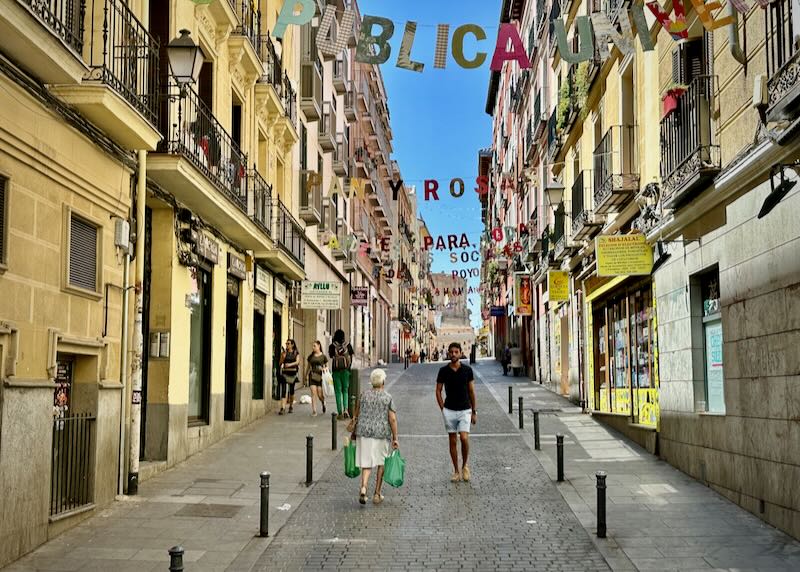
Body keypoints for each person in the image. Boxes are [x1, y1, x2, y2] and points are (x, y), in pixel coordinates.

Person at [351, 369, 399, 505]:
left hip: (364, 432)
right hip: (381, 433)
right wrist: (395, 438)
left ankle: (364, 487)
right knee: (380, 462)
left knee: (366, 463)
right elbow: (392, 419)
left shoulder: (363, 395)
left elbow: (356, 414)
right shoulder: (387, 397)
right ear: (383, 381)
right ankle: (377, 493)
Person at [436, 342, 477, 482]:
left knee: (464, 438)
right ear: (448, 353)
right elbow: (438, 390)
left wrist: (474, 411)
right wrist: (443, 408)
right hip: (449, 410)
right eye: (451, 352)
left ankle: (465, 465)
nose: (453, 354)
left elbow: (471, 391)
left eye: (456, 352)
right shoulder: (443, 371)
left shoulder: (467, 370)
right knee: (452, 441)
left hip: (465, 409)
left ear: (460, 353)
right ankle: (456, 470)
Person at [329, 329, 354, 420]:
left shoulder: (332, 346)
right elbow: (351, 356)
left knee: (338, 391)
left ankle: (340, 412)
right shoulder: (348, 345)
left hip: (336, 371)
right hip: (346, 370)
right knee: (345, 391)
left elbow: (331, 356)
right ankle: (346, 410)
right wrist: (348, 367)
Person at [306, 341, 328, 416]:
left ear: (319, 346)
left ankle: (323, 402)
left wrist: (324, 369)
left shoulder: (323, 356)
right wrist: (306, 376)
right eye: (313, 346)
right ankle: (314, 411)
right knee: (313, 393)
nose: (313, 347)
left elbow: (327, 366)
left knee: (319, 394)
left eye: (314, 346)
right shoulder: (311, 356)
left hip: (320, 376)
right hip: (312, 376)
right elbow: (308, 367)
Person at [279, 339, 301, 414]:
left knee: (291, 391)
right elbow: (280, 363)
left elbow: (297, 362)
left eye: (288, 343)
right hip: (285, 373)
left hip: (293, 374)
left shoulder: (296, 353)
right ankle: (283, 407)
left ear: (292, 345)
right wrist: (283, 357)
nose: (287, 345)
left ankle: (291, 406)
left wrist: (290, 365)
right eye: (286, 343)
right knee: (284, 390)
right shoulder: (284, 353)